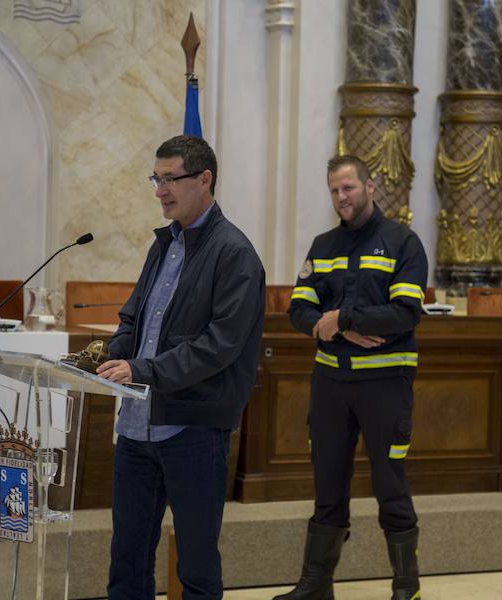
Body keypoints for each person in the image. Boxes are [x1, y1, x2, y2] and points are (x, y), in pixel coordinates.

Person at [97, 134, 265, 600]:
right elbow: (134, 318)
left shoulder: (235, 254)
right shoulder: (163, 245)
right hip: (136, 428)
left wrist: (143, 371)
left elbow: (221, 345)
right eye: (156, 178)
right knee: (126, 561)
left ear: (204, 179)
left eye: (171, 179)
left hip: (192, 429)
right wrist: (112, 354)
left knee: (195, 566)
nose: (160, 190)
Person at [277, 155, 428, 600]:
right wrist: (338, 324)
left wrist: (342, 318)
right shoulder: (323, 245)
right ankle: (316, 584)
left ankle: (406, 588)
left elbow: (404, 314)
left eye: (348, 188)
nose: (342, 197)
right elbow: (298, 311)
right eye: (334, 191)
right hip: (330, 388)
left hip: (385, 387)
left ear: (370, 185)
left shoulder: (403, 242)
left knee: (389, 486)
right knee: (327, 486)